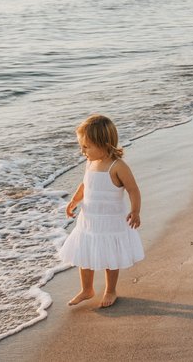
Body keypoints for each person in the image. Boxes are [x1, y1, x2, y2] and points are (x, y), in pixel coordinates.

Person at [59, 114, 144, 308]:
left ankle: (110, 290)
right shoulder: (91, 162)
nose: (82, 151)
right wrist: (74, 200)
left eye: (86, 146)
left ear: (104, 144)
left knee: (110, 257)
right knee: (85, 254)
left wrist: (135, 211)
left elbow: (133, 189)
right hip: (89, 219)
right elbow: (85, 184)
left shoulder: (117, 167)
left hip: (111, 221)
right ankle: (87, 289)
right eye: (82, 146)